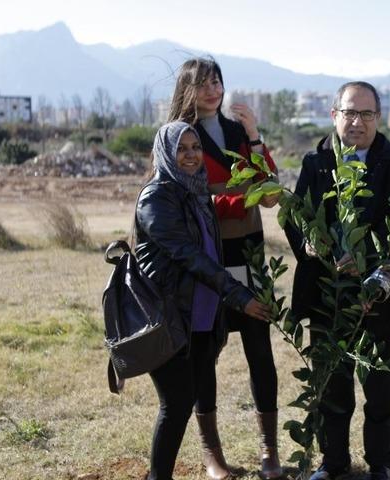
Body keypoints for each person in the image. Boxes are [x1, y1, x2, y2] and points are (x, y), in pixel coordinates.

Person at [284, 81, 390, 480]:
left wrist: (368, 261)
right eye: (350, 113)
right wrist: (308, 242)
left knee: (380, 387)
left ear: (379, 117)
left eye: (366, 114)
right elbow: (297, 216)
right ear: (334, 115)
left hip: (377, 295)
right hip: (328, 294)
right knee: (331, 386)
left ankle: (380, 462)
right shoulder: (316, 162)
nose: (357, 122)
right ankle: (334, 461)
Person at [133, 121, 271, 480]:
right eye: (181, 149)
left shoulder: (196, 193)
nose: (191, 155)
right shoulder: (156, 197)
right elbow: (188, 255)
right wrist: (238, 296)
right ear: (164, 153)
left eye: (195, 147)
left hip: (199, 314)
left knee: (183, 399)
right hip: (168, 314)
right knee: (176, 403)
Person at [167, 57, 282, 479]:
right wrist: (239, 199)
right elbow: (184, 200)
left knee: (260, 351)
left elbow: (270, 194)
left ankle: (270, 451)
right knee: (203, 356)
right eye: (203, 83)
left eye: (216, 81)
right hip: (206, 260)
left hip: (249, 255)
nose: (213, 90)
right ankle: (212, 454)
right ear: (187, 89)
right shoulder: (180, 137)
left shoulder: (237, 133)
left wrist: (255, 136)